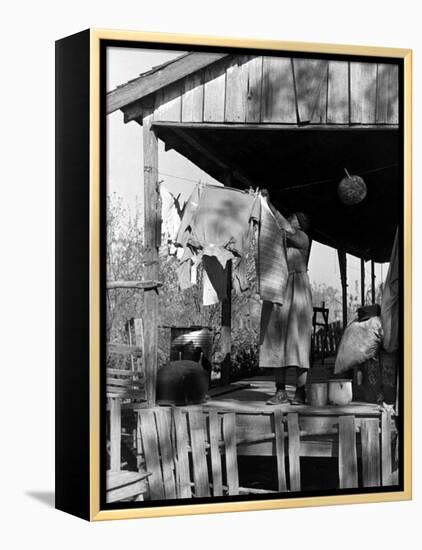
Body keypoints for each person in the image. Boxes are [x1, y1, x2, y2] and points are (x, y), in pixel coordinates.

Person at [260, 192, 313, 405]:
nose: (290, 220)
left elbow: (282, 226)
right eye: (289, 217)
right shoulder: (281, 241)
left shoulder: (302, 239)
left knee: (297, 340)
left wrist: (269, 204)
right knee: (275, 339)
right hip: (279, 287)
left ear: (300, 225)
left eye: (294, 219)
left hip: (297, 290)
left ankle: (300, 391)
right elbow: (272, 229)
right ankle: (280, 391)